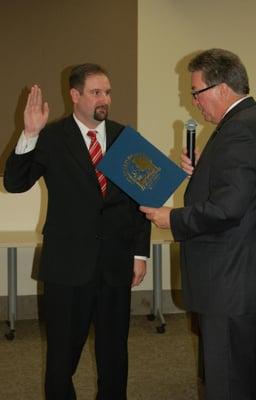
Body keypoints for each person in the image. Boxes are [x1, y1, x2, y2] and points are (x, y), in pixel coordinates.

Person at [4, 63, 151, 400]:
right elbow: (14, 183)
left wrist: (140, 253)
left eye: (108, 92)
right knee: (61, 357)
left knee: (115, 355)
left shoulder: (124, 138)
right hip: (67, 266)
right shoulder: (51, 138)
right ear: (75, 95)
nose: (105, 99)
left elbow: (141, 200)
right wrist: (28, 134)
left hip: (116, 263)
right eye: (96, 92)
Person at [140, 48, 256, 400]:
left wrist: (172, 218)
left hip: (230, 284)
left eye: (196, 92)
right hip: (248, 282)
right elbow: (250, 192)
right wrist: (203, 173)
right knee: (246, 378)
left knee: (228, 385)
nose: (193, 101)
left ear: (222, 88)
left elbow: (228, 209)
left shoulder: (238, 131)